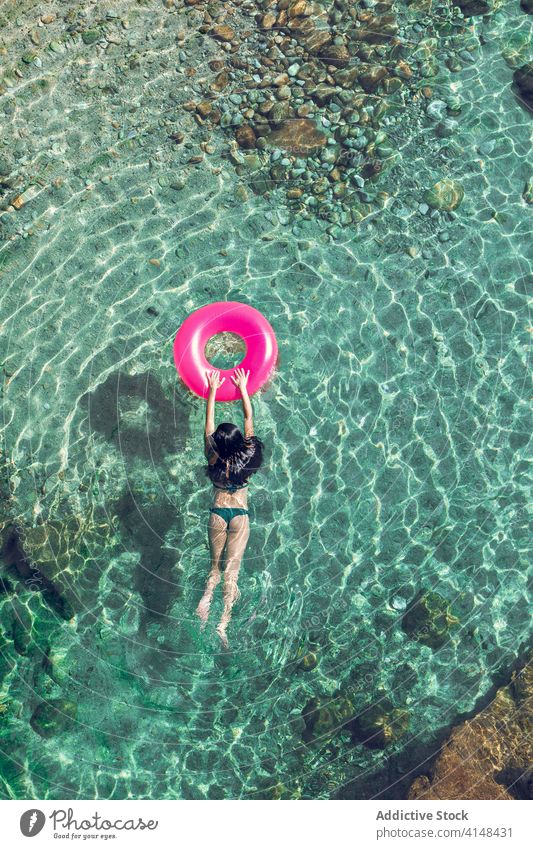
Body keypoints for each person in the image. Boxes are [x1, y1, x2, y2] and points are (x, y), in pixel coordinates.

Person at [195, 367, 264, 647]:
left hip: (218, 513)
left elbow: (208, 423)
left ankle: (205, 601)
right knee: (232, 571)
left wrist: (212, 390)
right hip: (240, 515)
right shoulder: (249, 456)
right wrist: (244, 387)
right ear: (239, 441)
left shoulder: (212, 455)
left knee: (215, 567)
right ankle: (223, 624)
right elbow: (249, 416)